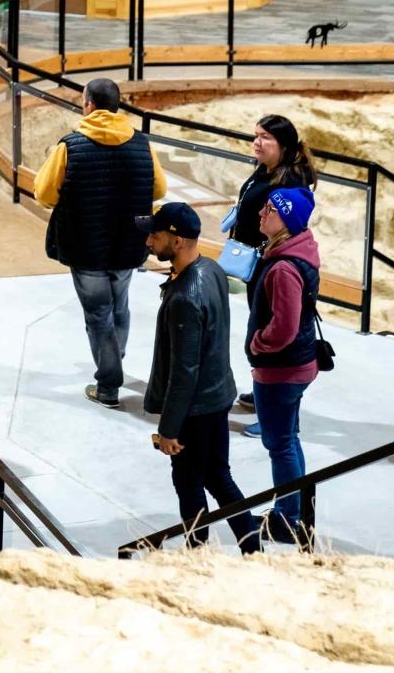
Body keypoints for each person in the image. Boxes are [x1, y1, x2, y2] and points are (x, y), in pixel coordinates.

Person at [35, 77, 166, 408]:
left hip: (85, 244)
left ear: (89, 104)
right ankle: (114, 357)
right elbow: (159, 190)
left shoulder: (70, 145)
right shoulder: (142, 144)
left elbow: (44, 193)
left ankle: (108, 383)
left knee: (98, 314)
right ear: (117, 106)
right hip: (128, 243)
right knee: (119, 304)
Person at [138, 203, 261, 554]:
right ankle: (252, 550)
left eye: (155, 235)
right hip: (217, 394)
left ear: (176, 242)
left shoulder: (185, 298)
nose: (149, 241)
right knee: (217, 476)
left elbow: (183, 372)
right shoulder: (211, 268)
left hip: (196, 409)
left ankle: (198, 555)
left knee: (190, 481)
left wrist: (169, 429)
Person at [224, 114, 318, 422]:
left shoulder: (289, 180)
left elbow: (290, 226)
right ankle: (263, 389)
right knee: (261, 317)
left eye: (265, 137)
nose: (257, 142)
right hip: (259, 261)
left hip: (273, 263)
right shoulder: (265, 170)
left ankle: (274, 409)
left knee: (274, 326)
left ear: (284, 145)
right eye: (255, 135)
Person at [248, 186, 322, 545]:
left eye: (271, 210)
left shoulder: (283, 268)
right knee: (288, 441)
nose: (262, 213)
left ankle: (287, 519)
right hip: (298, 365)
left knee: (279, 444)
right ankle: (293, 510)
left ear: (287, 220)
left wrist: (258, 343)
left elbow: (284, 327)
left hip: (281, 370)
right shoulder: (297, 250)